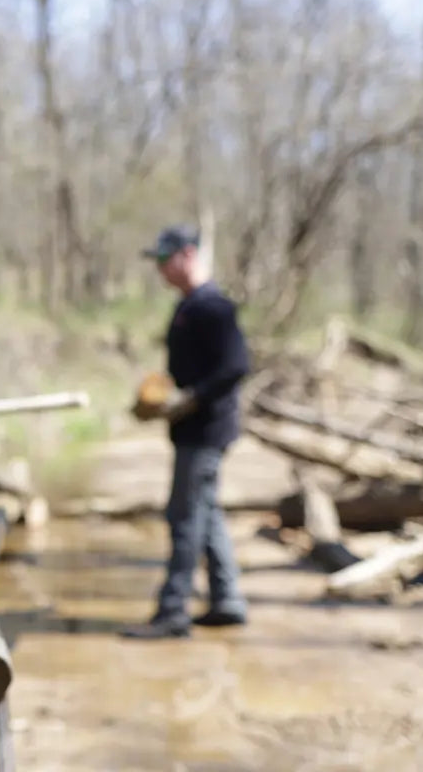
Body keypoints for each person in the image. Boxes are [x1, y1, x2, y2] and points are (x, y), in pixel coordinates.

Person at [122, 225, 250, 640]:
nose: (159, 269)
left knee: (184, 517)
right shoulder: (189, 306)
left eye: (164, 259)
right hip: (193, 429)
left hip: (205, 431)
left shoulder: (213, 306)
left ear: (187, 255)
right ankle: (227, 599)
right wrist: (161, 398)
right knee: (205, 513)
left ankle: (173, 610)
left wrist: (190, 398)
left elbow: (235, 366)